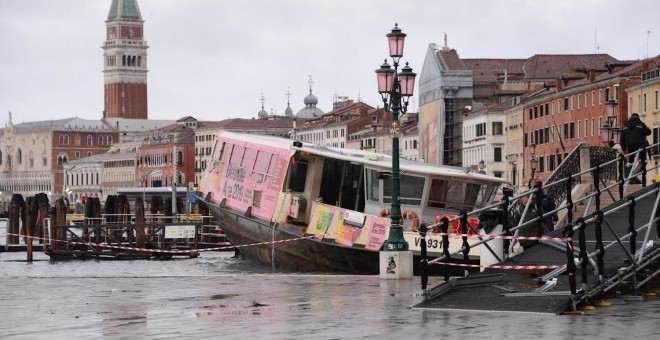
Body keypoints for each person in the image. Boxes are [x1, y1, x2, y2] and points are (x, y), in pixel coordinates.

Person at [620, 113, 651, 183]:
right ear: (638, 118)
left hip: (630, 147)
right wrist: (646, 127)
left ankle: (629, 178)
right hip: (640, 146)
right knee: (643, 162)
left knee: (630, 162)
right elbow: (649, 132)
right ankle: (632, 176)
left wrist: (624, 149)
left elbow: (622, 139)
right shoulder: (641, 125)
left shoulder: (625, 126)